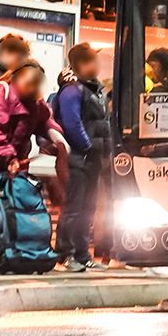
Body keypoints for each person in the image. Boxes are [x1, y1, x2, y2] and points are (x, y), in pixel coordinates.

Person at [0, 60, 70, 268]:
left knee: (0, 211)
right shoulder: (1, 92)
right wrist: (8, 156)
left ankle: (5, 255)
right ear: (15, 77)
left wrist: (56, 137)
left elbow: (45, 120)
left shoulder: (35, 102)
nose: (31, 87)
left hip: (12, 166)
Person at [53, 44, 111, 273]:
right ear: (79, 64)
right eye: (90, 61)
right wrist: (87, 147)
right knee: (73, 208)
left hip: (93, 158)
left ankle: (83, 254)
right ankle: (65, 255)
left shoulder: (95, 88)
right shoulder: (72, 90)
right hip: (78, 159)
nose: (96, 65)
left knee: (88, 209)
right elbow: (72, 124)